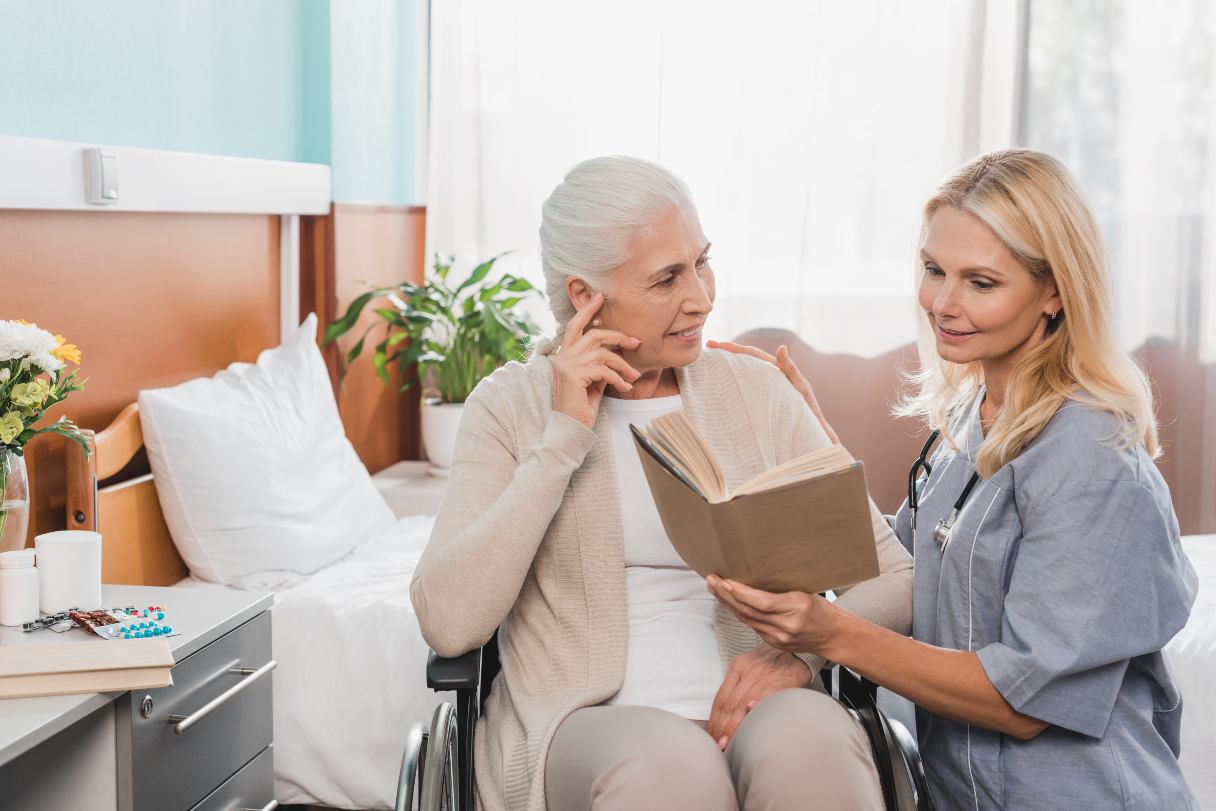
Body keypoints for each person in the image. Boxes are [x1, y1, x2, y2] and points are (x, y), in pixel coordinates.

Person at [411, 156, 914, 811]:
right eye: (668, 277)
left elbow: (893, 577)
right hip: (583, 725)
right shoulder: (507, 406)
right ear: (584, 295)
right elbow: (448, 621)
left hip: (754, 706)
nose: (702, 296)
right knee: (673, 767)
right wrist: (563, 436)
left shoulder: (755, 392)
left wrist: (798, 659)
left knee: (815, 737)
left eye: (702, 262)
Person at [709, 148, 1200, 810]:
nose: (943, 303)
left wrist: (829, 634)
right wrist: (815, 446)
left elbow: (1024, 696)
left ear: (1054, 291)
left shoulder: (1088, 455)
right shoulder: (974, 415)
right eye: (935, 269)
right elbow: (905, 567)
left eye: (981, 282)